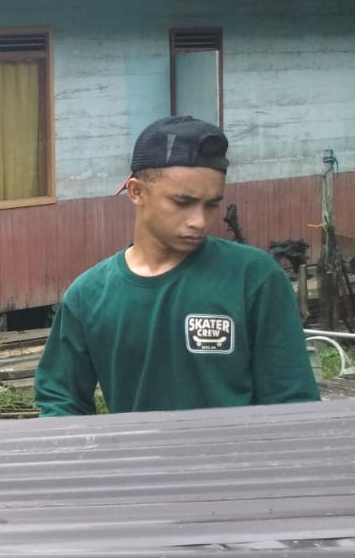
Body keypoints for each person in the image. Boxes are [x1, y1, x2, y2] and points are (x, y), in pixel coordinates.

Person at [34, 115, 320, 415]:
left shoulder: (254, 278)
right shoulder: (89, 294)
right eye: (182, 203)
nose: (200, 221)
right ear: (136, 192)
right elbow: (60, 399)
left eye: (212, 204)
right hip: (138, 447)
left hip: (237, 448)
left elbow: (292, 402)